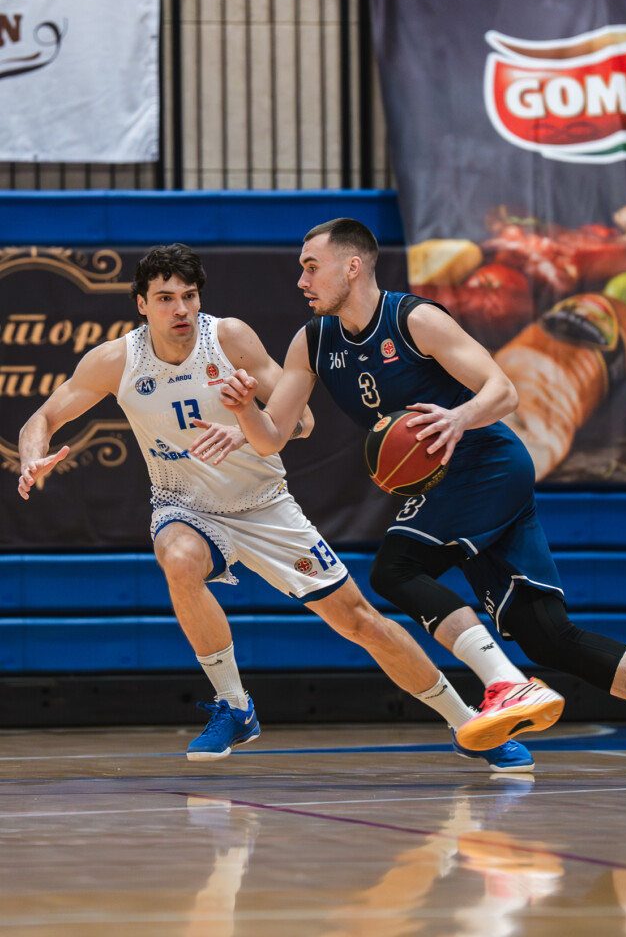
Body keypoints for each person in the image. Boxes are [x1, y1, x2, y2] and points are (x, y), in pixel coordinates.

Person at [217, 218, 626, 787]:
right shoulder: (312, 342)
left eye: (312, 266)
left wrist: (458, 418)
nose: (302, 279)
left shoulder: (414, 320)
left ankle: (507, 685)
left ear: (352, 267)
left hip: (486, 461)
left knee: (396, 569)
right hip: (452, 483)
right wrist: (244, 410)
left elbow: (503, 390)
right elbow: (273, 436)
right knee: (547, 635)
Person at [16, 242, 534, 772]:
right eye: (166, 298)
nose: (180, 309)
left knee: (361, 622)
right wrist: (33, 458)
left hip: (264, 505)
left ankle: (467, 723)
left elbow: (301, 423)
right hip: (183, 505)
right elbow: (44, 418)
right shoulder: (115, 361)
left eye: (189, 296)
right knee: (179, 558)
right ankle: (234, 704)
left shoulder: (229, 339)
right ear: (141, 304)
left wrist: (245, 416)